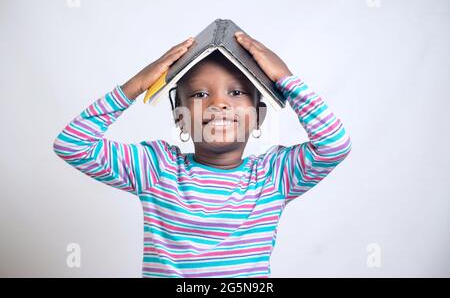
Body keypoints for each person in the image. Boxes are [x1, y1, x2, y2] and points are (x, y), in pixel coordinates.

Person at [53, 31, 352, 277]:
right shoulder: (157, 168)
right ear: (180, 118)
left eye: (236, 93)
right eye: (199, 94)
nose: (219, 104)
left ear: (259, 117)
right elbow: (72, 144)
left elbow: (334, 145)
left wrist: (286, 79)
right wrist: (135, 85)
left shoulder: (273, 176)